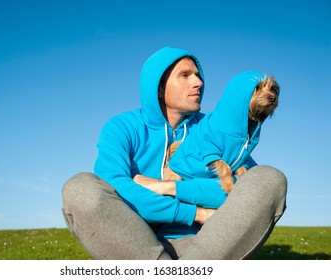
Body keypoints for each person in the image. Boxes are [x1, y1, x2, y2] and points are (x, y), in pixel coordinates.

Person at [62, 46, 287, 260]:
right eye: (185, 75)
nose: (198, 82)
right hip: (137, 246)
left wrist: (170, 187)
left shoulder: (213, 130)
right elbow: (116, 186)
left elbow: (244, 192)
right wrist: (196, 213)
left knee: (269, 179)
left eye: (198, 75)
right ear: (159, 87)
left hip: (209, 245)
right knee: (80, 187)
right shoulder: (122, 127)